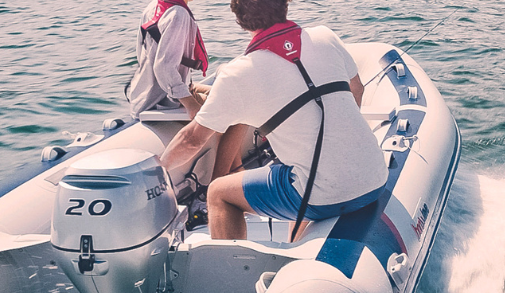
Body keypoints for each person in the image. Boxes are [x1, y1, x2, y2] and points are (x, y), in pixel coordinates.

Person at [161, 0, 385, 240]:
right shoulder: (325, 36)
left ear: (238, 19)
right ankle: (295, 241)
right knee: (297, 173)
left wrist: (157, 169)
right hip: (374, 178)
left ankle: (229, 272)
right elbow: (357, 90)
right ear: (285, 5)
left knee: (218, 192)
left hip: (323, 196)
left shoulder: (237, 73)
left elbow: (192, 140)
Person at [128, 0, 213, 118]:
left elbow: (140, 52)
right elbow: (164, 67)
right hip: (162, 101)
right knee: (228, 102)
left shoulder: (153, 6)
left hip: (143, 94)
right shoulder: (179, 14)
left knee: (221, 91)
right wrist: (191, 104)